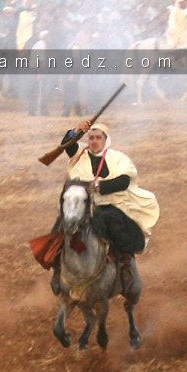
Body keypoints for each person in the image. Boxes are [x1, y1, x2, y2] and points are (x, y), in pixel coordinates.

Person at [48, 121, 160, 296]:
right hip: (82, 204)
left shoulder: (118, 158)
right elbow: (66, 145)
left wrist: (99, 186)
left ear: (105, 140)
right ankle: (57, 270)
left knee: (116, 226)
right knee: (60, 228)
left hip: (110, 204)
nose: (93, 141)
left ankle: (125, 266)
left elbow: (123, 181)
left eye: (98, 138)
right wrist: (76, 131)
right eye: (91, 137)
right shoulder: (80, 154)